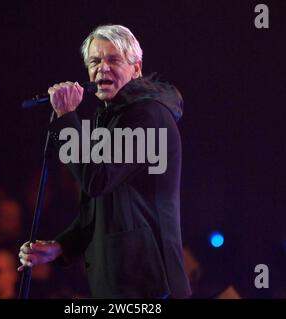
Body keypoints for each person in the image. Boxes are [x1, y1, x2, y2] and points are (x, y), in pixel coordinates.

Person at [18, 24, 191, 298]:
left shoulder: (147, 116)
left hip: (148, 286)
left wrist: (66, 118)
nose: (102, 68)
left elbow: (97, 180)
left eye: (113, 60)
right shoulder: (115, 117)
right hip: (125, 284)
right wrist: (61, 247)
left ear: (136, 68)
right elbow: (104, 205)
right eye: (95, 61)